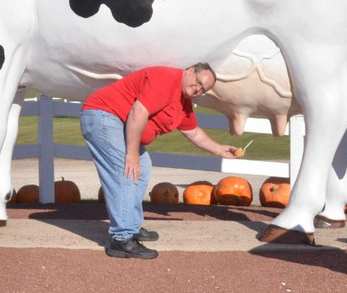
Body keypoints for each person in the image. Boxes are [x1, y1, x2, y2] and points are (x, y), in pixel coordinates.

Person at [80, 63, 240, 259]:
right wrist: (131, 155)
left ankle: (131, 227)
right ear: (189, 71)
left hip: (118, 122)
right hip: (103, 115)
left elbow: (195, 133)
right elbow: (138, 112)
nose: (198, 89)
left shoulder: (184, 103)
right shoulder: (166, 80)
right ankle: (122, 239)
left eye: (203, 89)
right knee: (126, 170)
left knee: (143, 166)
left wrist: (219, 150)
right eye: (198, 82)